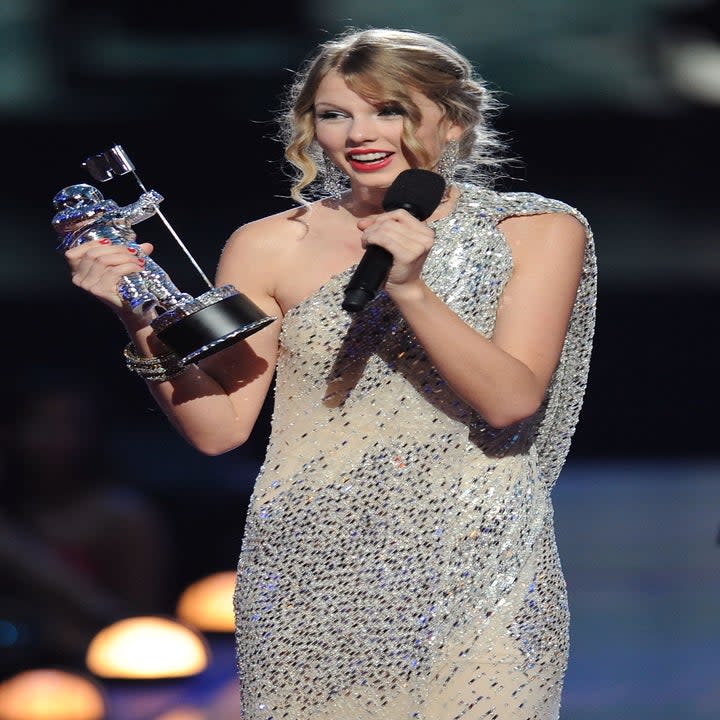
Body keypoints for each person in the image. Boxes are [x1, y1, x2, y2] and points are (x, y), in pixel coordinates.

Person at [64, 28, 596, 720]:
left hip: (477, 572)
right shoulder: (269, 244)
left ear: (453, 118)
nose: (360, 133)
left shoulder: (535, 229)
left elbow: (510, 400)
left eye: (389, 110)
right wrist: (137, 317)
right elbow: (219, 429)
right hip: (311, 569)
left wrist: (410, 287)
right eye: (335, 113)